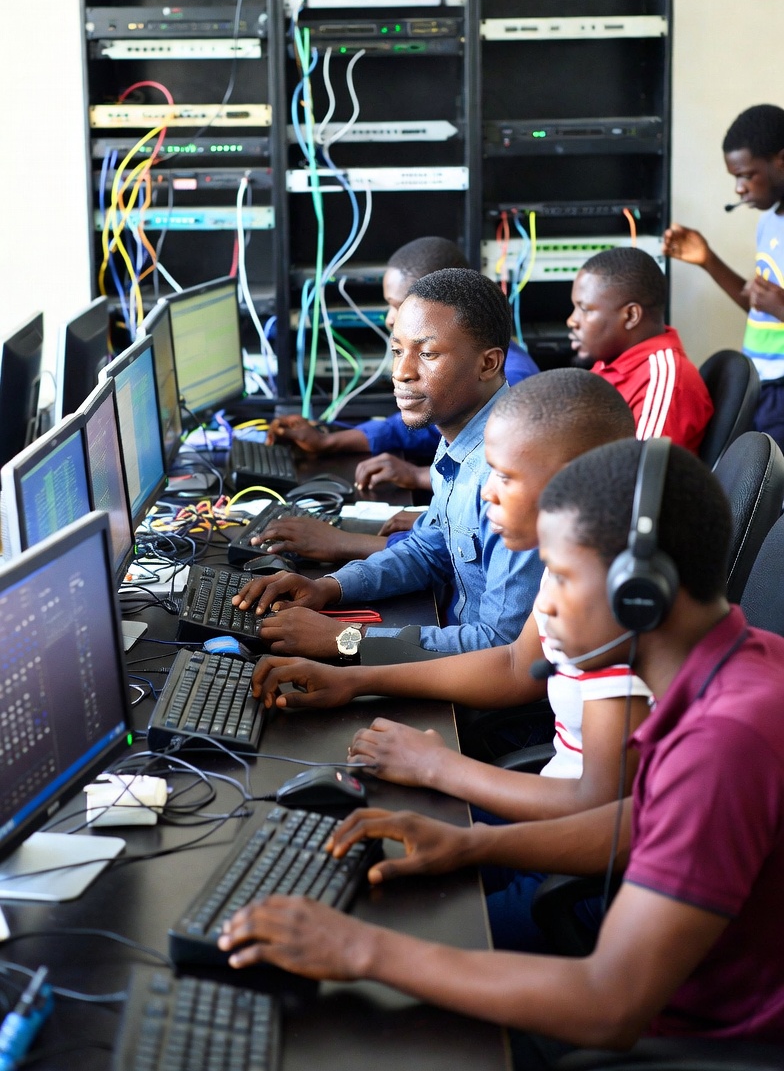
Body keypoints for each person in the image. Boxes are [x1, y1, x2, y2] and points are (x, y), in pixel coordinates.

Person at [218, 438, 784, 1056]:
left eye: (560, 576)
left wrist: (362, 949)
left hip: (683, 1035)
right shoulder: (741, 663)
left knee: (349, 1016)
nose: (545, 604)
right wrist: (473, 843)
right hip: (653, 971)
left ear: (639, 593)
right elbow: (646, 820)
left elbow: (609, 1004)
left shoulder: (724, 740)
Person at [248, 371, 647, 952]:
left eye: (504, 478)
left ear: (574, 483)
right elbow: (513, 663)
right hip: (544, 814)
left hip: (582, 882)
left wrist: (441, 769)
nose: (486, 494)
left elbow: (599, 806)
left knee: (388, 917)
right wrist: (354, 679)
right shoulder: (575, 565)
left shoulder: (616, 608)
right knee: (348, 859)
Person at [233, 270, 543, 658]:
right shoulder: (460, 438)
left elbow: (503, 647)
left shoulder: (511, 472)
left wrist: (346, 639)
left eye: (427, 354)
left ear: (488, 364)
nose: (401, 372)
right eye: (398, 351)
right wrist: (329, 587)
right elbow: (429, 551)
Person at [266, 236, 538, 494]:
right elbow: (415, 431)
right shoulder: (453, 394)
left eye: (399, 305)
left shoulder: (513, 383)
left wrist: (417, 476)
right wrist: (328, 441)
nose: (389, 318)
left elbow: (490, 478)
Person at [663, 103, 784, 449]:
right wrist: (708, 260)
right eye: (735, 178)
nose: (739, 189)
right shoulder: (769, 222)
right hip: (762, 381)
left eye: (746, 175)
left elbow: (776, 308)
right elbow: (760, 309)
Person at [567, 247, 713, 453]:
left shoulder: (664, 382)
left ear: (631, 316)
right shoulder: (609, 361)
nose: (572, 320)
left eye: (585, 309)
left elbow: (639, 468)